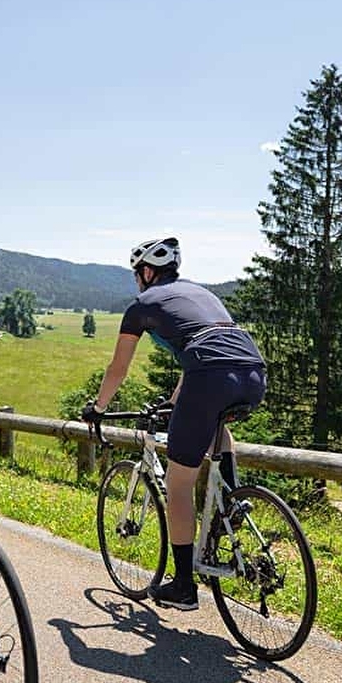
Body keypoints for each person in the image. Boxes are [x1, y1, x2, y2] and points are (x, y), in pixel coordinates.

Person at [81, 237, 266, 610]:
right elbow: (201, 353)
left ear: (147, 272)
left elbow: (119, 369)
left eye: (138, 274)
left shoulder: (142, 306)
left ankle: (183, 586)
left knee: (180, 484)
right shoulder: (202, 294)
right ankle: (232, 498)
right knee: (216, 426)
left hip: (210, 375)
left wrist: (98, 408)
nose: (138, 281)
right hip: (252, 371)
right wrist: (172, 403)